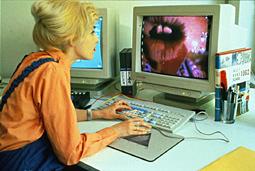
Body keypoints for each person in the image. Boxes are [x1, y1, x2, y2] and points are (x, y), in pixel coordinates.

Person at [0, 0, 151, 170]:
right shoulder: (53, 72)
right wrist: (117, 131)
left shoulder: (36, 59)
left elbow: (56, 116)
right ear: (72, 38)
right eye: (92, 31)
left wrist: (99, 113)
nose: (96, 38)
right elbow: (71, 153)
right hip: (19, 160)